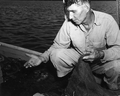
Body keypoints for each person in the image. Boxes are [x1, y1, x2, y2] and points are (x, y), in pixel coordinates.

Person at [24, 0, 120, 90]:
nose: (70, 17)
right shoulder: (69, 23)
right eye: (68, 12)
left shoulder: (107, 20)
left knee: (117, 65)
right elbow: (57, 46)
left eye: (73, 11)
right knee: (57, 55)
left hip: (100, 62)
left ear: (86, 7)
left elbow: (118, 49)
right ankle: (65, 81)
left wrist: (100, 54)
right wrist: (41, 58)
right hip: (79, 60)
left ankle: (110, 87)